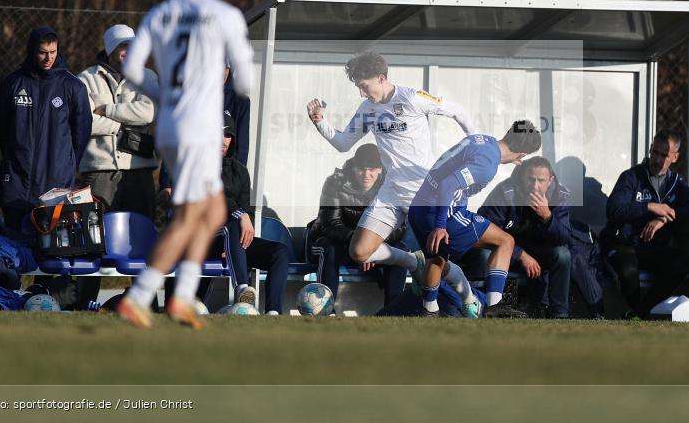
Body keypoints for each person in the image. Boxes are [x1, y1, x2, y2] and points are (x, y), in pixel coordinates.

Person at [117, 0, 253, 329]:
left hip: (171, 128)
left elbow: (131, 68)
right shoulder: (225, 15)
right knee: (192, 216)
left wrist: (162, 94)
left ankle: (180, 298)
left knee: (211, 212)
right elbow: (243, 81)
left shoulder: (161, 12)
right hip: (200, 130)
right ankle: (141, 297)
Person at [306, 52, 477, 303]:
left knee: (438, 261)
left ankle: (469, 299)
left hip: (423, 192)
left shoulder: (411, 97)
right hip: (391, 193)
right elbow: (344, 143)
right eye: (358, 87)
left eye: (364, 87)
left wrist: (476, 144)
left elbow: (457, 111)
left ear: (382, 78)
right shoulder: (367, 109)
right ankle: (412, 262)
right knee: (359, 251)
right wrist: (320, 122)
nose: (362, 93)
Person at [408, 120, 542, 318]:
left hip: (418, 209)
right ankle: (494, 307)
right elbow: (447, 185)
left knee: (437, 257)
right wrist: (440, 225)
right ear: (522, 155)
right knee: (506, 241)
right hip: (443, 214)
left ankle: (430, 310)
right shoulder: (488, 164)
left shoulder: (481, 141)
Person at [479, 156, 604, 319]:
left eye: (541, 180)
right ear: (523, 176)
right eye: (530, 179)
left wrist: (548, 217)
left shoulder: (560, 195)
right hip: (506, 250)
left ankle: (560, 313)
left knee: (563, 255)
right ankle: (491, 305)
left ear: (550, 180)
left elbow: (563, 237)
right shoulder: (506, 192)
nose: (535, 186)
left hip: (539, 251)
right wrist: (520, 254)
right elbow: (485, 229)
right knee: (483, 255)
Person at [0, 27, 92, 233]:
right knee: (15, 244)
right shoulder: (12, 83)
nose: (48, 58)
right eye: (42, 52)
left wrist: (64, 162)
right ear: (32, 51)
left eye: (53, 52)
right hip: (17, 181)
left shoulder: (73, 87)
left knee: (53, 247)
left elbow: (81, 133)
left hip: (55, 182)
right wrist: (16, 156)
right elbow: (2, 127)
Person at [194, 112, 290, 314]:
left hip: (233, 240)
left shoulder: (240, 170)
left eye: (227, 134)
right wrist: (240, 215)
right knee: (232, 227)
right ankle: (242, 289)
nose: (223, 140)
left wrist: (243, 219)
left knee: (280, 252)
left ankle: (273, 313)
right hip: (204, 237)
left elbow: (246, 208)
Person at [601, 129, 689, 319]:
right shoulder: (631, 177)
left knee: (680, 266)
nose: (657, 159)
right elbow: (613, 211)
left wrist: (663, 218)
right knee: (628, 271)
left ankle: (640, 312)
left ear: (674, 157)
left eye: (663, 155)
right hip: (623, 244)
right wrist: (650, 207)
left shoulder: (677, 184)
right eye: (654, 152)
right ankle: (641, 314)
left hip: (652, 248)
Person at [308, 143, 407, 309]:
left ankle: (393, 310)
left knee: (399, 248)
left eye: (372, 169)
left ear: (380, 169)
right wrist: (362, 245)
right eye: (361, 169)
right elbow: (328, 224)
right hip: (334, 244)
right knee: (329, 247)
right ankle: (325, 308)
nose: (366, 175)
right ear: (354, 168)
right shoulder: (335, 182)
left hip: (371, 247)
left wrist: (371, 247)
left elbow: (399, 227)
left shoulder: (390, 186)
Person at [77, 24, 159, 219]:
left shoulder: (148, 77)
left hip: (139, 169)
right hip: (99, 171)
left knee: (141, 231)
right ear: (110, 49)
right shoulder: (86, 79)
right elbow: (85, 122)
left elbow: (148, 113)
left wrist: (107, 109)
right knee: (98, 234)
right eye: (123, 46)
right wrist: (121, 127)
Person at [224, 65, 250, 165]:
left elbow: (242, 144)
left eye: (226, 67)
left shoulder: (240, 101)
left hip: (227, 169)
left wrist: (238, 175)